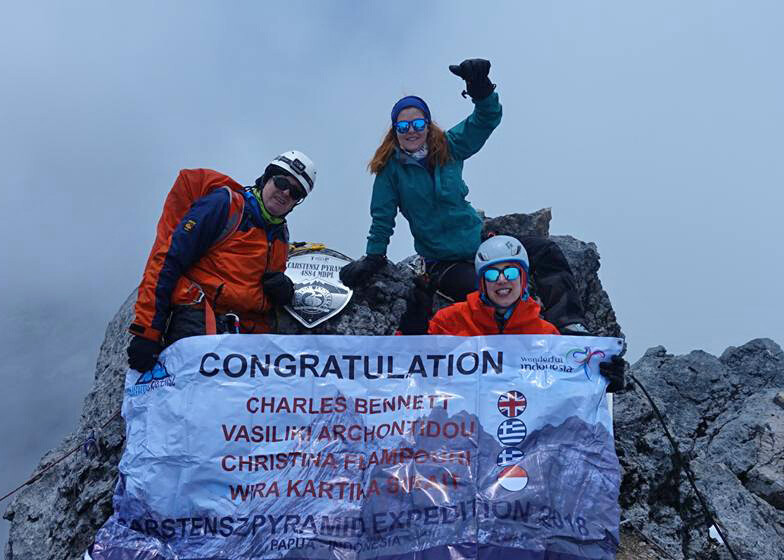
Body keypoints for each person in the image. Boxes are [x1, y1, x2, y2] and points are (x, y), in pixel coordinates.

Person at [339, 58, 588, 333]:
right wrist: (374, 257)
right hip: (443, 263)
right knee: (487, 290)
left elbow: (485, 120)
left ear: (428, 124)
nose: (412, 131)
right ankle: (517, 346)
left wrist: (481, 89)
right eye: (403, 127)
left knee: (546, 252)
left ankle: (570, 328)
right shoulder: (390, 171)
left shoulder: (448, 147)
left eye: (418, 123)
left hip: (481, 243)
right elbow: (382, 217)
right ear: (395, 131)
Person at [126, 151, 316, 373]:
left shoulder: (279, 234)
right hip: (198, 325)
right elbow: (168, 261)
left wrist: (283, 292)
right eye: (281, 182)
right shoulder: (224, 206)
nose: (285, 193)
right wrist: (147, 332)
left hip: (244, 342)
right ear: (267, 177)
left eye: (295, 192)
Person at [400, 235, 625, 391]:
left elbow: (566, 388)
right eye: (491, 275)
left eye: (510, 271)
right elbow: (401, 365)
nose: (501, 280)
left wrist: (602, 379)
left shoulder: (544, 335)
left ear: (523, 278)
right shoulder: (451, 321)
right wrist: (412, 330)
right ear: (481, 283)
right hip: (460, 434)